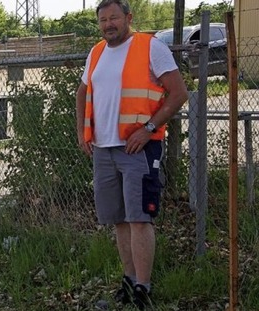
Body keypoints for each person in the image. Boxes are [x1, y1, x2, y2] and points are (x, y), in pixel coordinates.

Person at [75, 0, 188, 309]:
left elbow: (178, 93)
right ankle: (128, 281)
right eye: (103, 20)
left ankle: (143, 288)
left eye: (114, 18)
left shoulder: (150, 47)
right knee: (119, 220)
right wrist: (82, 132)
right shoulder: (96, 52)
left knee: (139, 219)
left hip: (138, 146)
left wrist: (148, 128)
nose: (108, 24)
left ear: (128, 18)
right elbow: (82, 91)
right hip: (103, 148)